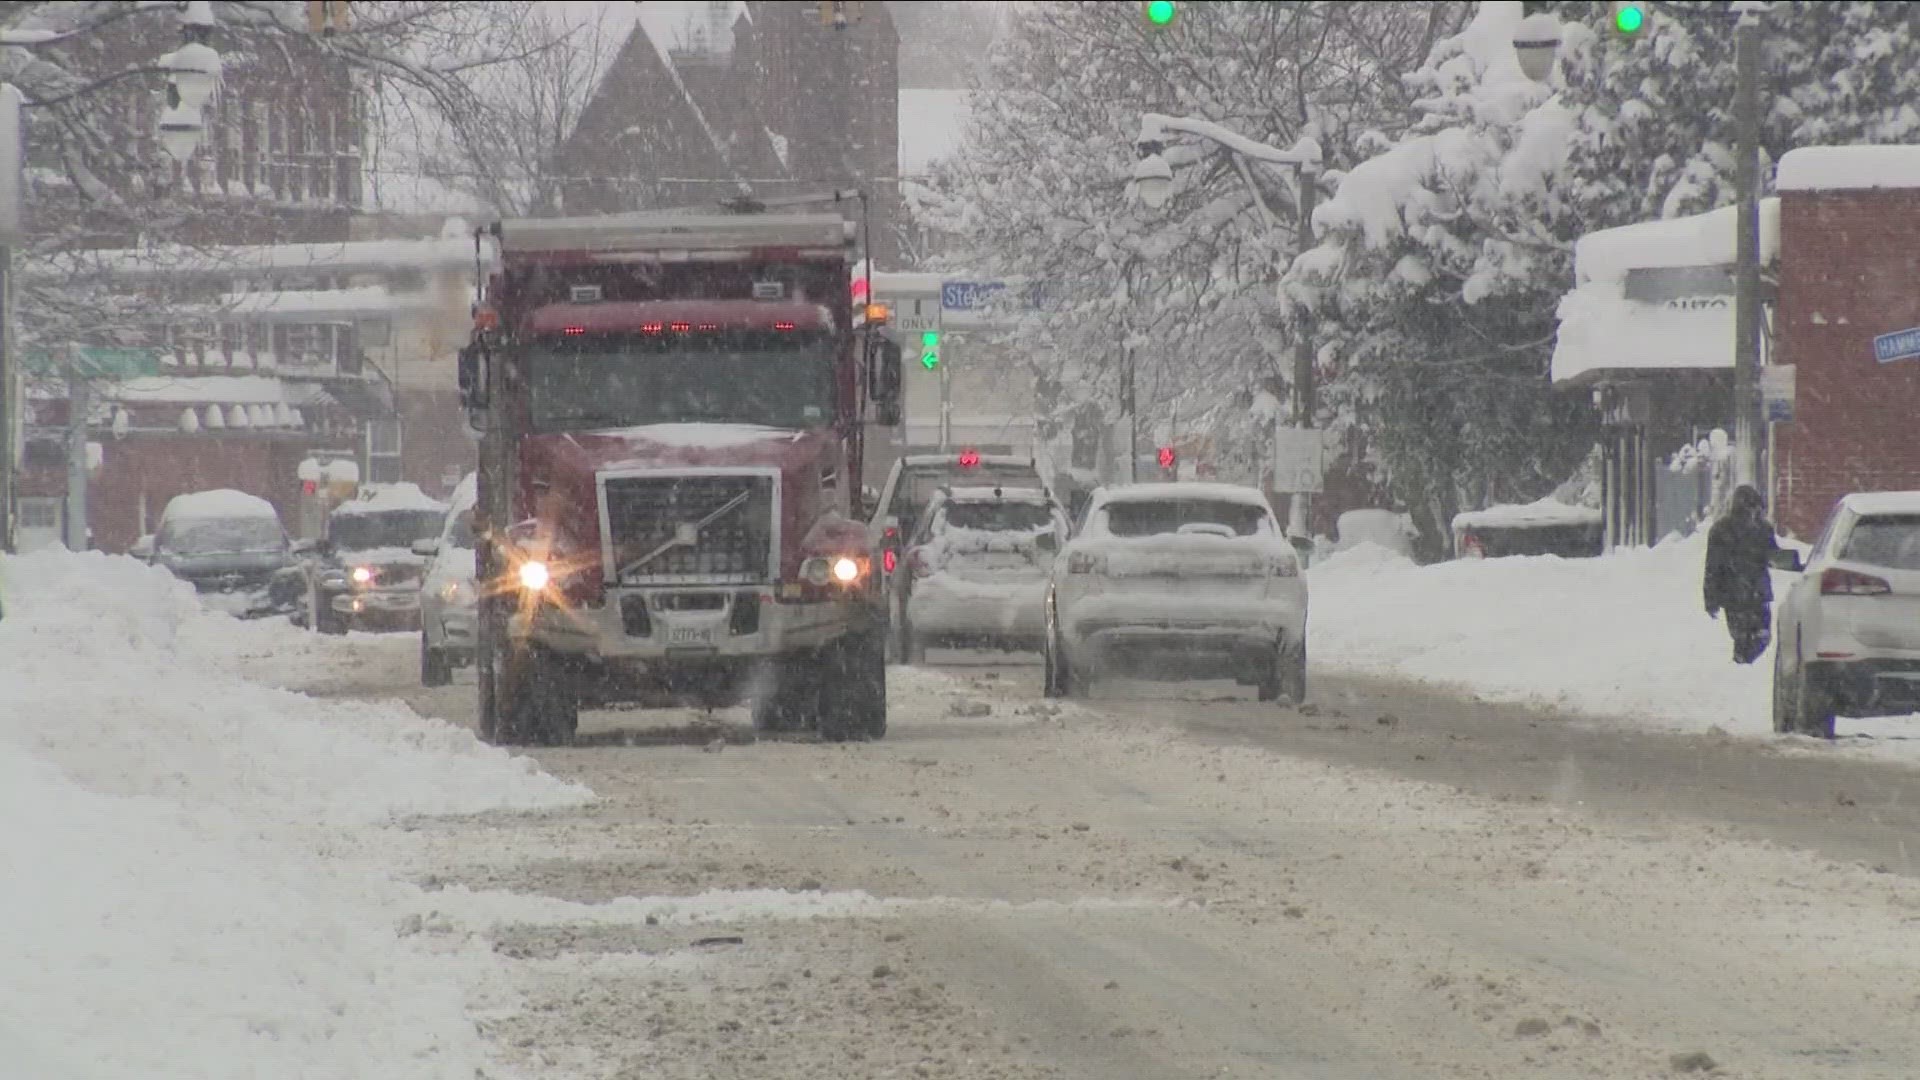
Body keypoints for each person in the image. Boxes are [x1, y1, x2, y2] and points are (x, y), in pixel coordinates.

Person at [1703, 484, 1780, 664]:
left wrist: (1711, 600)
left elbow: (1773, 556)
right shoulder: (1723, 530)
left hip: (1748, 594)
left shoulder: (1762, 529)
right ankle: (1741, 665)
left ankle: (1742, 663)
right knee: (1749, 636)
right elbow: (1713, 567)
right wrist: (1711, 599)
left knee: (1756, 636)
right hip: (1740, 594)